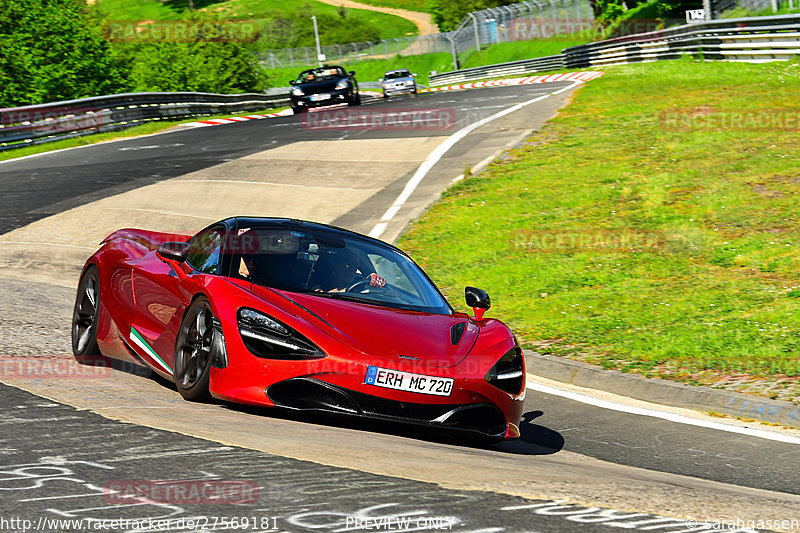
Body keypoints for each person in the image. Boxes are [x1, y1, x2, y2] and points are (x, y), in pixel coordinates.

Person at [314, 248, 385, 293]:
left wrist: (374, 280)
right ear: (334, 265)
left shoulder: (359, 288)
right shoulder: (313, 289)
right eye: (347, 266)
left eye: (355, 267)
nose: (351, 271)